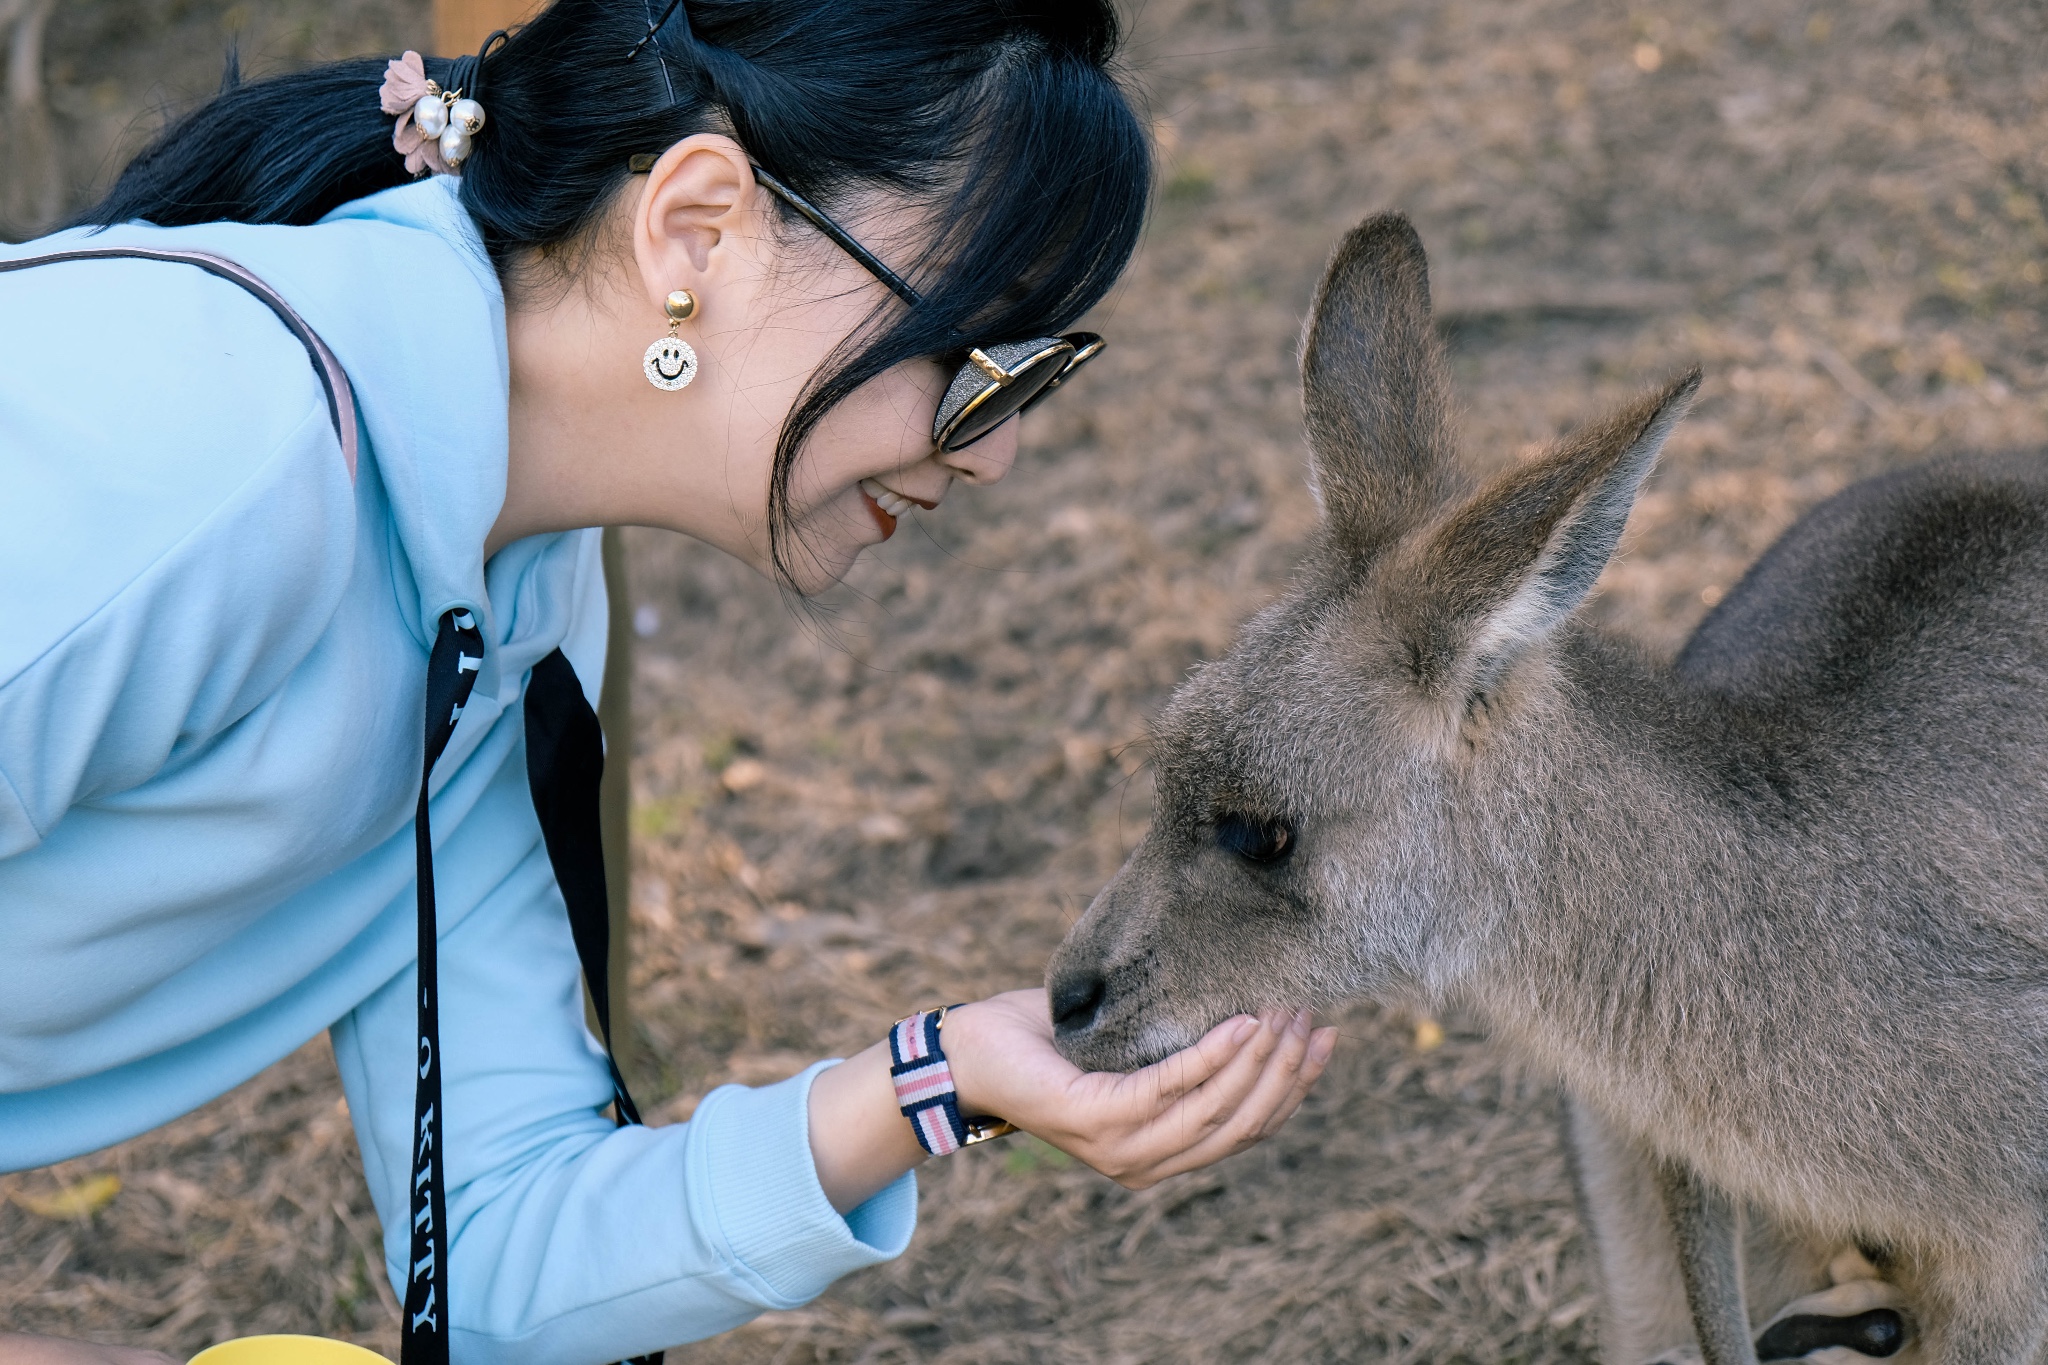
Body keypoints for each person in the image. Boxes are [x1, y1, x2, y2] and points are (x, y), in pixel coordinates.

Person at [0, 1, 1338, 1361]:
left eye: (1035, 375)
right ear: (698, 229)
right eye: (975, 358)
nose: (990, 454)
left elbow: (498, 1246)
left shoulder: (501, 604)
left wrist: (935, 1080)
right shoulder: (212, 458)